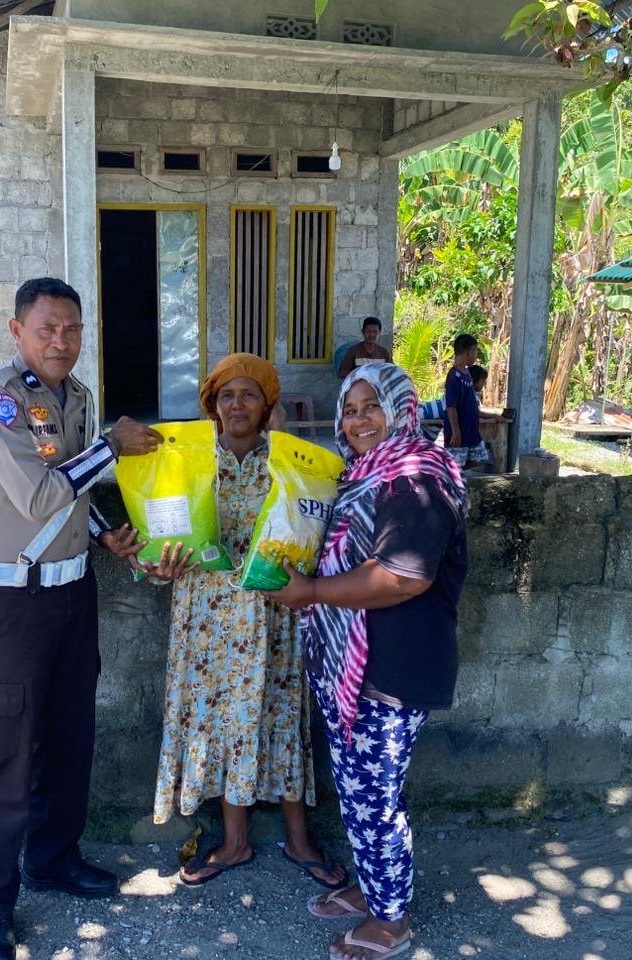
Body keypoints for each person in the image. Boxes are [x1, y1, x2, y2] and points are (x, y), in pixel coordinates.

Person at [0, 277, 162, 960]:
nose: (61, 341)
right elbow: (40, 493)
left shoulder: (75, 396)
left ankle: (52, 859)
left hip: (74, 594)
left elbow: (77, 495)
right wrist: (112, 445)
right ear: (17, 330)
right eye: (46, 328)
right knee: (4, 755)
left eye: (72, 328)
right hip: (11, 603)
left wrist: (106, 535)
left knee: (70, 736)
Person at [266, 362, 469, 960]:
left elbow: (404, 575)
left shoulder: (415, 476)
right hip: (354, 664)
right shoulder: (363, 475)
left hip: (394, 666)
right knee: (359, 792)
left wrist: (310, 592)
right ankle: (376, 889)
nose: (358, 421)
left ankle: (391, 922)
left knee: (375, 798)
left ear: (401, 408)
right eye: (350, 410)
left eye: (371, 407)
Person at [144, 353, 346, 891]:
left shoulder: (290, 465)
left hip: (273, 615)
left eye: (249, 394)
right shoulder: (188, 463)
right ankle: (234, 843)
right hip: (207, 621)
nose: (237, 404)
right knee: (223, 723)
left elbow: (312, 532)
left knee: (282, 715)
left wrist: (281, 445)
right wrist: (159, 566)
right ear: (212, 404)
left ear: (267, 404)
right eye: (226, 395)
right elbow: (159, 538)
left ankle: (299, 840)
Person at [445, 333, 488, 470]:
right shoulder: (454, 376)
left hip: (471, 430)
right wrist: (455, 431)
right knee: (455, 465)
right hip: (459, 430)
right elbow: (451, 406)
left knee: (480, 458)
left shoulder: (467, 373)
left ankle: (459, 475)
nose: (476, 355)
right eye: (475, 351)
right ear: (469, 352)